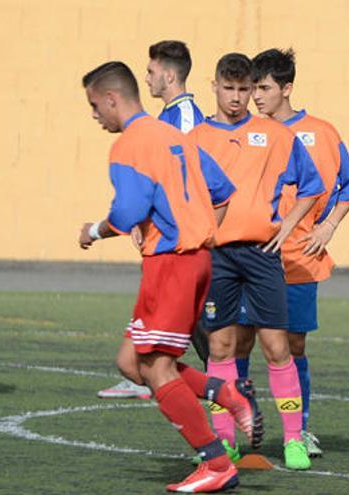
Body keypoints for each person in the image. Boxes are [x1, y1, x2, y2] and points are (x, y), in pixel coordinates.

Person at [77, 61, 262, 493]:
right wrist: (200, 231)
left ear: (111, 98)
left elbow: (127, 212)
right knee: (131, 363)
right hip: (192, 260)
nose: (94, 115)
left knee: (158, 369)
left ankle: (216, 463)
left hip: (172, 263)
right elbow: (222, 191)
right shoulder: (175, 136)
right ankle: (225, 393)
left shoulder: (129, 145)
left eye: (93, 105)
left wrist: (93, 231)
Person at [190, 53, 324, 470]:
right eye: (228, 89)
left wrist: (288, 225)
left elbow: (312, 185)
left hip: (264, 253)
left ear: (253, 89)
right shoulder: (195, 138)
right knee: (221, 344)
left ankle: (293, 440)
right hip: (219, 255)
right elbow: (182, 194)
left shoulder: (276, 134)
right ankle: (226, 440)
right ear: (214, 87)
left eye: (244, 89)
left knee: (276, 346)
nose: (236, 97)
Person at [238, 47, 349, 458]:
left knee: (293, 346)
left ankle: (301, 428)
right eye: (253, 88)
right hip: (251, 257)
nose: (256, 96)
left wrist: (329, 226)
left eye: (264, 87)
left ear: (287, 88)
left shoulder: (321, 132)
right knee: (236, 344)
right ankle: (237, 425)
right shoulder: (249, 133)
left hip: (298, 258)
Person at [98, 39, 208, 401]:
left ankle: (224, 406)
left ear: (169, 74)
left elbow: (198, 181)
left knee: (208, 339)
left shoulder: (185, 119)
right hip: (171, 244)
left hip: (184, 246)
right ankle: (220, 397)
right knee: (184, 337)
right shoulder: (161, 121)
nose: (146, 79)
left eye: (150, 71)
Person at [147, 40, 205, 132]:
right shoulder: (172, 112)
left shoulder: (185, 117)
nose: (147, 79)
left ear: (169, 76)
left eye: (151, 72)